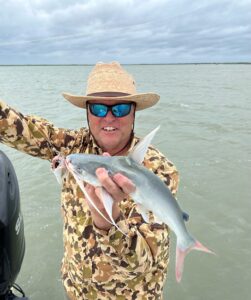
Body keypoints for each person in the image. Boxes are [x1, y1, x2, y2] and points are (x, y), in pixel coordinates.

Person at [0, 62, 179, 300]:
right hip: (77, 292)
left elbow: (143, 265)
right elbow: (21, 128)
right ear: (87, 111)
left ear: (134, 112)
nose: (109, 117)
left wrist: (109, 221)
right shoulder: (73, 148)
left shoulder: (159, 171)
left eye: (121, 108)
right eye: (98, 108)